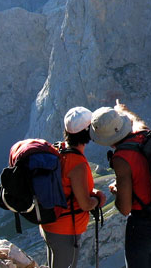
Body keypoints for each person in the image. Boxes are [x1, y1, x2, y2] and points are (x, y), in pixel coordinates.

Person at [90, 101, 151, 268]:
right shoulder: (145, 134)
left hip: (141, 227)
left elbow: (124, 208)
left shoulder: (121, 158)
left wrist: (117, 191)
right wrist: (122, 110)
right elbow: (136, 121)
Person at [40, 106, 107, 268]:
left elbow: (67, 188)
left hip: (49, 223)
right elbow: (85, 204)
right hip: (65, 229)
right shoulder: (77, 163)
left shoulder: (59, 149)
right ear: (87, 132)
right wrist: (99, 199)